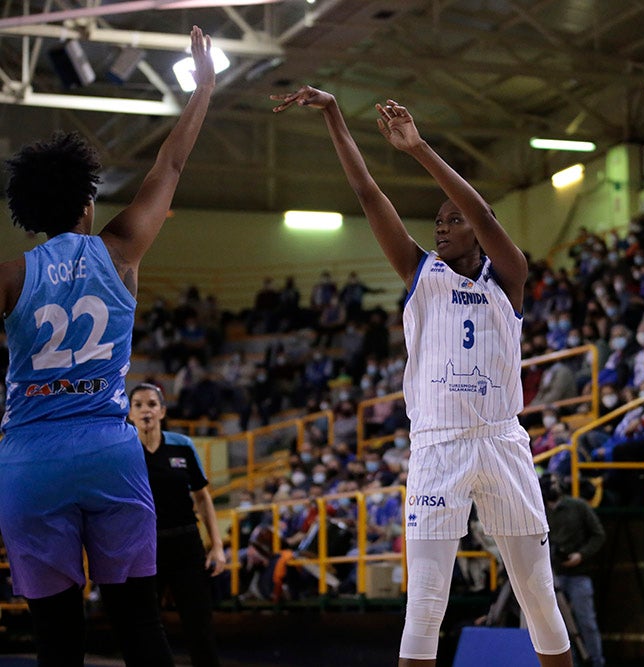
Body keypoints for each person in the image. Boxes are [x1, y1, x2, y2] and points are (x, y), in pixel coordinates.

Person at [271, 88, 572, 666]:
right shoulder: (418, 272)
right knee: (426, 602)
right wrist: (336, 113)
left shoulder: (508, 275)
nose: (442, 227)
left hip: (503, 442)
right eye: (437, 220)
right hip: (438, 447)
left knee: (538, 593)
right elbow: (366, 192)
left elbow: (483, 213)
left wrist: (418, 149)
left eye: (452, 220)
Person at [0, 26, 214, 667]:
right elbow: (169, 164)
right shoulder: (120, 251)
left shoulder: (11, 275)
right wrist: (204, 84)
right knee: (141, 629)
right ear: (88, 204)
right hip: (107, 452)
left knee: (56, 642)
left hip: (29, 462)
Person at [130, 383, 226, 667]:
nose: (145, 409)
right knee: (144, 626)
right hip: (144, 549)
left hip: (186, 545)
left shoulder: (182, 446)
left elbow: (202, 497)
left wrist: (217, 547)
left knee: (200, 625)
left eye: (151, 403)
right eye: (138, 404)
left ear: (162, 410)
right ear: (130, 413)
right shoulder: (122, 451)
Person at [541, 474, 606, 667]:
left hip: (579, 573)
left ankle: (596, 661)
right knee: (558, 626)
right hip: (553, 575)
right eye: (549, 483)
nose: (553, 486)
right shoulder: (540, 510)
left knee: (586, 622)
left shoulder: (578, 506)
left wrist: (581, 555)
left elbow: (598, 535)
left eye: (555, 481)